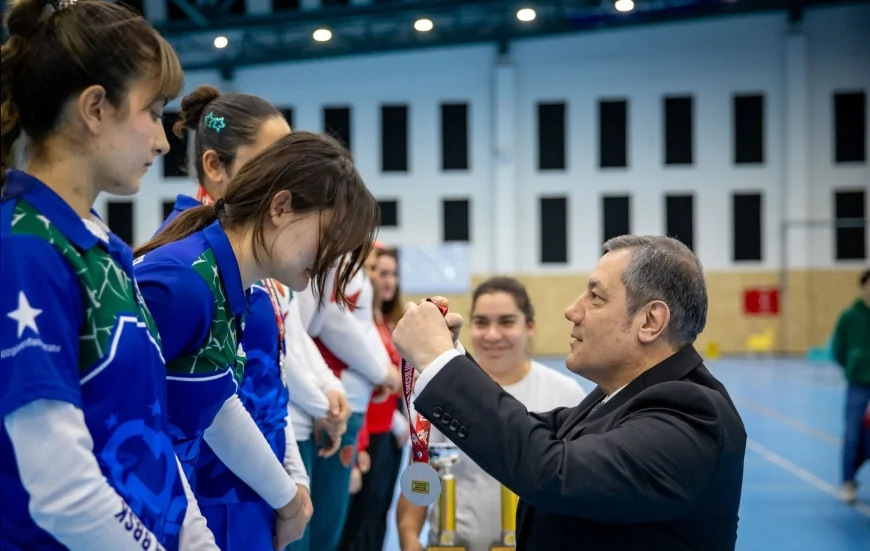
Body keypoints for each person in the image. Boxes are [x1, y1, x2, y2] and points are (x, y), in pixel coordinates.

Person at [0, 1, 220, 550]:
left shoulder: (102, 249)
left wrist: (195, 540)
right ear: (95, 108)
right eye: (153, 111)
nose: (164, 141)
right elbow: (62, 491)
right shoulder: (25, 249)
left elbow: (146, 427)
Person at [393, 235, 747, 551]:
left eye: (595, 296)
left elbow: (551, 469)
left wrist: (440, 363)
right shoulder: (614, 398)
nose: (572, 311)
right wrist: (449, 353)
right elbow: (528, 432)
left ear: (650, 321)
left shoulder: (690, 412)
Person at [132, 131, 381, 549]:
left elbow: (212, 404)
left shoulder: (233, 287)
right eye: (328, 240)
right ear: (281, 207)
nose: (329, 264)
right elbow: (124, 436)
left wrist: (289, 493)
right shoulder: (184, 285)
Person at [153, 85, 328, 549]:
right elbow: (208, 407)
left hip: (264, 484)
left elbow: (268, 379)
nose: (289, 181)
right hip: (216, 495)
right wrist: (284, 491)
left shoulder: (256, 258)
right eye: (274, 163)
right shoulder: (185, 269)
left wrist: (293, 476)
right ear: (215, 166)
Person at [396, 276, 587, 551]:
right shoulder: (443, 393)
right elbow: (421, 480)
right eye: (482, 322)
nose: (493, 334)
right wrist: (409, 538)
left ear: (529, 326)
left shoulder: (565, 395)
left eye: (506, 322)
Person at [294, 254, 403, 551]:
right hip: (328, 408)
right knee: (318, 529)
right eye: (375, 270)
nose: (382, 278)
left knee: (333, 527)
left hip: (344, 409)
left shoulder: (343, 268)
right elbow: (322, 323)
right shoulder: (329, 262)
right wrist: (381, 373)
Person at [340, 244, 412, 551]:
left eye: (392, 274)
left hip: (388, 430)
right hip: (369, 429)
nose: (387, 280)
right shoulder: (359, 320)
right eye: (378, 272)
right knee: (360, 518)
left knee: (378, 510)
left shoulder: (388, 320)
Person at [831, 269, 870, 504]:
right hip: (858, 385)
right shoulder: (849, 317)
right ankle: (848, 481)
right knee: (853, 432)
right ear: (863, 287)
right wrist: (852, 365)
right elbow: (838, 348)